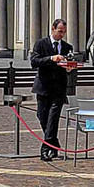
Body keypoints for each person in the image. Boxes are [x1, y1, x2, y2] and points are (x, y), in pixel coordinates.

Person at [29, 18, 74, 161]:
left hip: (59, 89)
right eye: (60, 31)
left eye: (64, 32)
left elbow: (70, 67)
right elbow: (34, 62)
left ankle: (45, 148)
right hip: (43, 87)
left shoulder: (67, 47)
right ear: (53, 29)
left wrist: (69, 69)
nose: (62, 35)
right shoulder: (41, 44)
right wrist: (51, 58)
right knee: (42, 117)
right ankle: (54, 143)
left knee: (53, 118)